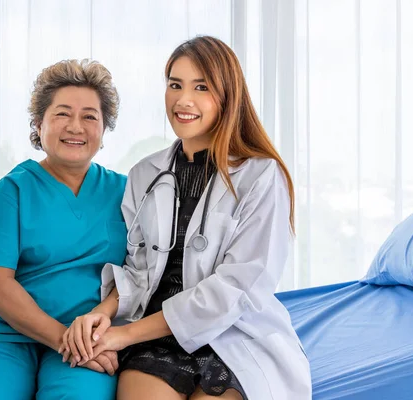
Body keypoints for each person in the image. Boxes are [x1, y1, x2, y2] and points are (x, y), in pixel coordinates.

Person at [61, 36, 312, 400]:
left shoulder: (260, 176)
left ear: (228, 96)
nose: (183, 100)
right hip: (155, 336)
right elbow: (139, 270)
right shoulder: (144, 174)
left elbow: (236, 288)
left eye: (201, 87)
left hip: (234, 335)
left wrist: (123, 335)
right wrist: (102, 314)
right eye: (174, 85)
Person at [0, 59, 127, 400]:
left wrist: (90, 335)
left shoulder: (127, 193)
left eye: (90, 116)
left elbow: (141, 273)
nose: (76, 126)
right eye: (62, 114)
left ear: (104, 130)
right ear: (38, 124)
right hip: (7, 332)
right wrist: (63, 339)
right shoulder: (10, 193)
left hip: (89, 335)